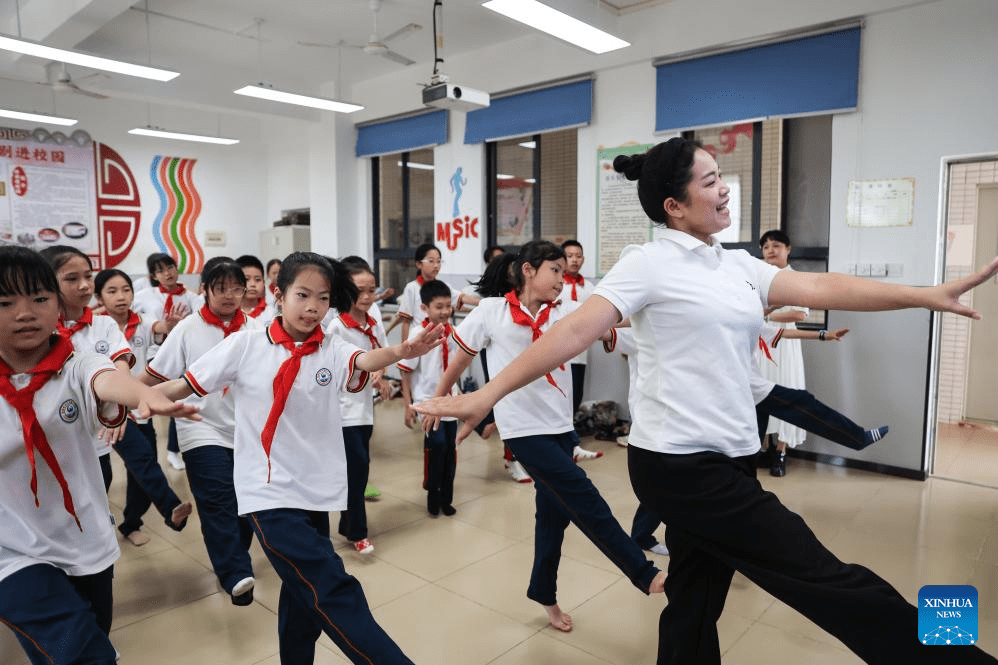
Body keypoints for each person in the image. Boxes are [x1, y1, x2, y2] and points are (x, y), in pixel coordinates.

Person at [414, 137, 998, 665]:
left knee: (694, 601)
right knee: (826, 576)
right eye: (711, 181)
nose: (724, 190)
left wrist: (924, 294)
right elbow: (571, 333)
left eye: (723, 178)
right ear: (675, 204)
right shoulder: (647, 262)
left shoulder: (736, 264)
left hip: (730, 455)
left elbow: (823, 286)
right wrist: (484, 396)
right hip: (679, 466)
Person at [154, 252, 444, 665]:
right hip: (268, 494)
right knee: (333, 589)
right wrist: (133, 402)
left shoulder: (329, 347)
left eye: (323, 298)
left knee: (299, 593)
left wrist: (399, 351)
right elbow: (185, 384)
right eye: (303, 295)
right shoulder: (245, 343)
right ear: (278, 294)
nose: (313, 307)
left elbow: (361, 361)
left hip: (314, 492)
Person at [423, 240, 664, 633]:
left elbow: (613, 321)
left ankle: (543, 593)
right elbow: (462, 356)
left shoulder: (565, 313)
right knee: (582, 494)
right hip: (521, 429)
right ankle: (643, 571)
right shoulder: (491, 312)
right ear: (528, 271)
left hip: (559, 428)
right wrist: (439, 398)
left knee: (552, 518)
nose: (561, 278)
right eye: (555, 270)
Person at [0, 246, 199, 665]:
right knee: (77, 651)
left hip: (85, 537)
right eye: (5, 302)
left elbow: (106, 377)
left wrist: (144, 395)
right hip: (13, 550)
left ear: (55, 304)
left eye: (38, 298)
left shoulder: (75, 360)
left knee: (92, 630)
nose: (24, 313)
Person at [142, 259, 260, 606]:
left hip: (247, 430)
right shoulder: (187, 329)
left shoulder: (255, 329)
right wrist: (123, 399)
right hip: (199, 427)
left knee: (246, 504)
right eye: (220, 288)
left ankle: (234, 555)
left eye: (236, 288)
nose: (229, 295)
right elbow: (156, 375)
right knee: (217, 499)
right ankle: (235, 572)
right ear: (204, 289)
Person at [94, 268, 193, 546]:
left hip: (140, 408)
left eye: (126, 290)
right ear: (99, 296)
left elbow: (158, 327)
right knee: (139, 462)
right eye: (112, 291)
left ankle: (130, 523)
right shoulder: (94, 326)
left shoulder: (142, 322)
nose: (121, 296)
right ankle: (171, 508)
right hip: (107, 413)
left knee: (140, 469)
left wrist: (171, 326)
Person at [39, 245, 134, 492]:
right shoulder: (38, 329)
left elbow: (120, 367)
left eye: (88, 276)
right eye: (72, 278)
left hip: (95, 434)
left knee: (100, 486)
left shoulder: (104, 325)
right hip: (52, 436)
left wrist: (117, 405)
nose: (84, 285)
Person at [326, 261, 390, 554]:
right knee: (357, 470)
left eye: (371, 290)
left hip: (364, 408)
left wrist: (381, 375)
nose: (367, 297)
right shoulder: (337, 327)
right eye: (359, 291)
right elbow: (333, 370)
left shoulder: (373, 324)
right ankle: (357, 532)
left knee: (357, 471)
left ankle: (347, 524)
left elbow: (384, 355)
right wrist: (366, 371)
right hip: (342, 411)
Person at [399, 280, 460, 516]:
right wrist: (408, 406)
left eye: (448, 306)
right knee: (437, 447)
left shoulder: (453, 332)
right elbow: (405, 370)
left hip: (450, 401)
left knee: (450, 451)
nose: (445, 312)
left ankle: (447, 498)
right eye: (439, 307)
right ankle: (432, 495)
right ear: (425, 308)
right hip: (427, 402)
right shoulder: (418, 334)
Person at [134, 252, 195, 472]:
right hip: (156, 353)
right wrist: (161, 326)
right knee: (148, 399)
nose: (167, 273)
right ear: (154, 275)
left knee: (178, 400)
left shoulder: (190, 296)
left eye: (170, 267)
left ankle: (173, 449)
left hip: (182, 355)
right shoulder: (144, 295)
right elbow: (130, 316)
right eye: (161, 270)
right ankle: (150, 442)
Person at [758, 229, 807, 476]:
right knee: (760, 390)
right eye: (766, 246)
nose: (770, 250)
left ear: (788, 249)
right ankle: (763, 446)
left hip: (785, 341)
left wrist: (769, 314)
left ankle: (781, 451)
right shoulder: (757, 277)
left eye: (776, 245)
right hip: (760, 340)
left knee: (785, 390)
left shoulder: (795, 278)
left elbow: (800, 313)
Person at [559, 239, 604, 463]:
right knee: (560, 396)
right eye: (570, 255)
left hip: (580, 351)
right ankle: (567, 442)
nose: (574, 260)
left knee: (576, 394)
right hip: (558, 351)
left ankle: (570, 441)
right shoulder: (557, 286)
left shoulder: (589, 288)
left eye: (578, 255)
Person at [236, 254, 276, 322]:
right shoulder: (228, 313)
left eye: (258, 280)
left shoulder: (272, 313)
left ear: (263, 282)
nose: (252, 284)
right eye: (246, 279)